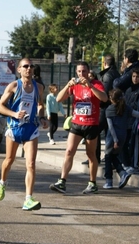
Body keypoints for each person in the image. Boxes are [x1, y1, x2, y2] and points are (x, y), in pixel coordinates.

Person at [0, 58, 48, 211]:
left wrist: (42, 117)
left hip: (30, 129)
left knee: (31, 164)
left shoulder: (39, 87)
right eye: (25, 66)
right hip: (14, 128)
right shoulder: (13, 86)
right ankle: (2, 183)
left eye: (31, 66)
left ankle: (28, 199)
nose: (29, 69)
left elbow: (40, 104)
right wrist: (14, 114)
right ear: (19, 70)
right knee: (9, 160)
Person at [49, 61, 108, 194]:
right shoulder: (74, 86)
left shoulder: (96, 84)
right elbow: (58, 99)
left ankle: (92, 183)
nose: (82, 74)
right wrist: (67, 86)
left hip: (91, 124)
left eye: (84, 71)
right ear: (76, 72)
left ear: (89, 72)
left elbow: (104, 99)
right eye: (79, 71)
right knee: (69, 151)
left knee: (91, 154)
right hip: (76, 123)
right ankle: (62, 182)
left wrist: (91, 86)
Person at [103, 88, 139, 189]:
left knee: (108, 157)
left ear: (111, 99)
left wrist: (115, 140)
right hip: (123, 136)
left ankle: (109, 181)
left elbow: (111, 127)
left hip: (113, 138)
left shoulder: (109, 109)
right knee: (114, 157)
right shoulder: (126, 108)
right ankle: (122, 174)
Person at [120, 68, 139, 174]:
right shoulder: (128, 89)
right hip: (125, 120)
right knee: (123, 143)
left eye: (137, 77)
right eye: (133, 76)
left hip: (136, 121)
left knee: (134, 144)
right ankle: (126, 164)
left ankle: (134, 166)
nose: (135, 79)